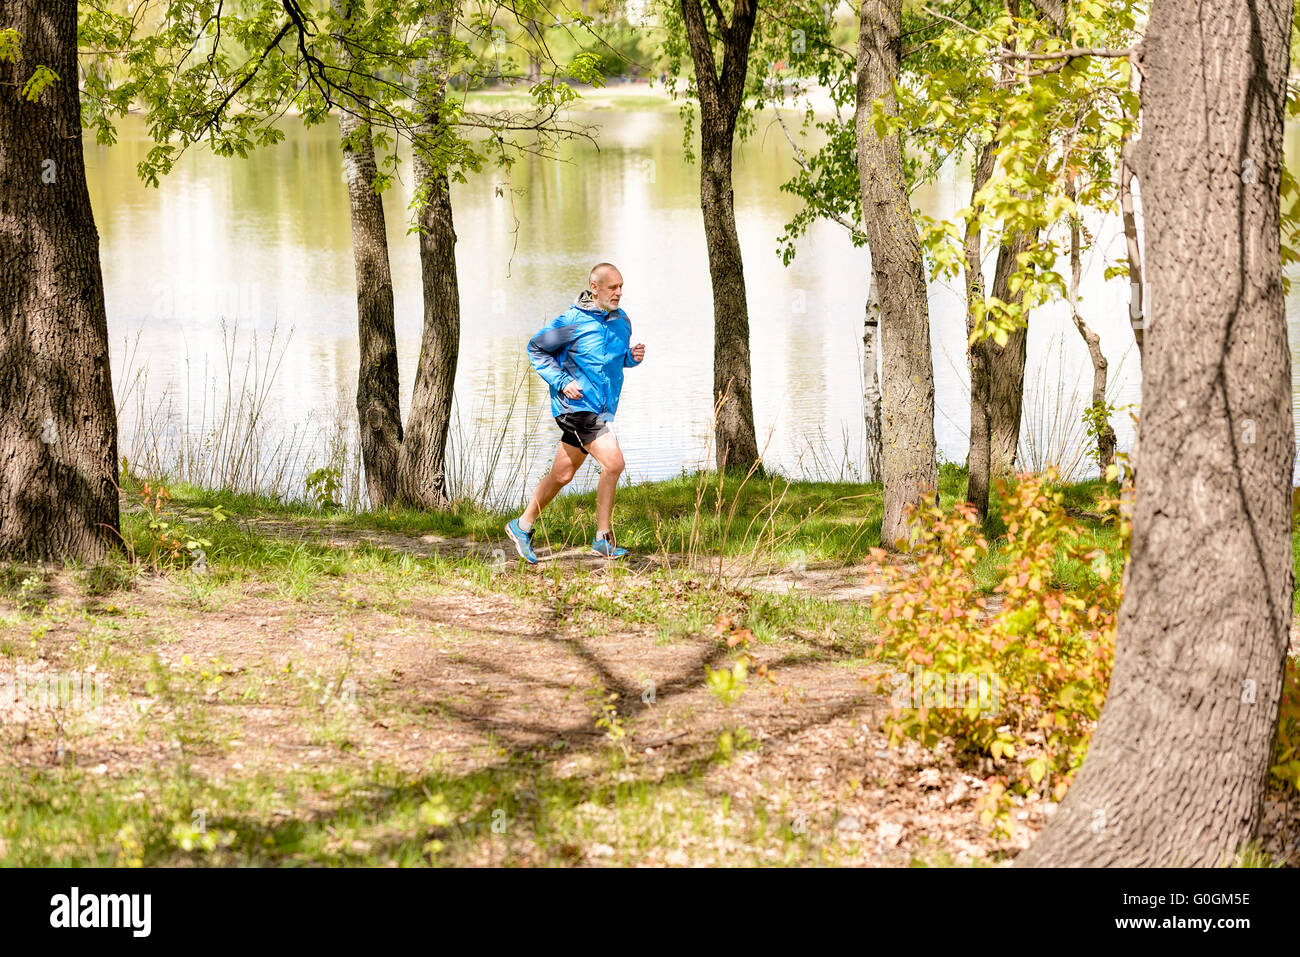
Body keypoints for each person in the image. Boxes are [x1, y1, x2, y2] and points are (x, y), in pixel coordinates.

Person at [506, 263, 645, 563]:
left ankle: (522, 526)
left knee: (563, 473)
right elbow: (536, 348)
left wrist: (631, 359)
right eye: (612, 287)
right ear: (594, 288)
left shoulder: (622, 322)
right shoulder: (572, 320)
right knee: (614, 462)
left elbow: (612, 361)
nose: (619, 293)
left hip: (599, 408)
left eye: (621, 287)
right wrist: (562, 381)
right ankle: (602, 538)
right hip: (575, 406)